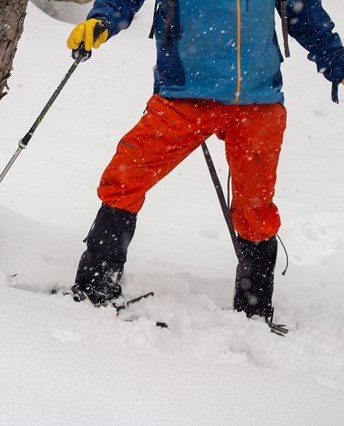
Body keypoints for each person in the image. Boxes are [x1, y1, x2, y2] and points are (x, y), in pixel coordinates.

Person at [66, 0, 344, 322]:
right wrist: (103, 19)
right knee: (125, 178)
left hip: (258, 100)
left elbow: (302, 10)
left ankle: (253, 315)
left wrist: (336, 60)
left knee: (256, 210)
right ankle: (95, 287)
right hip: (186, 92)